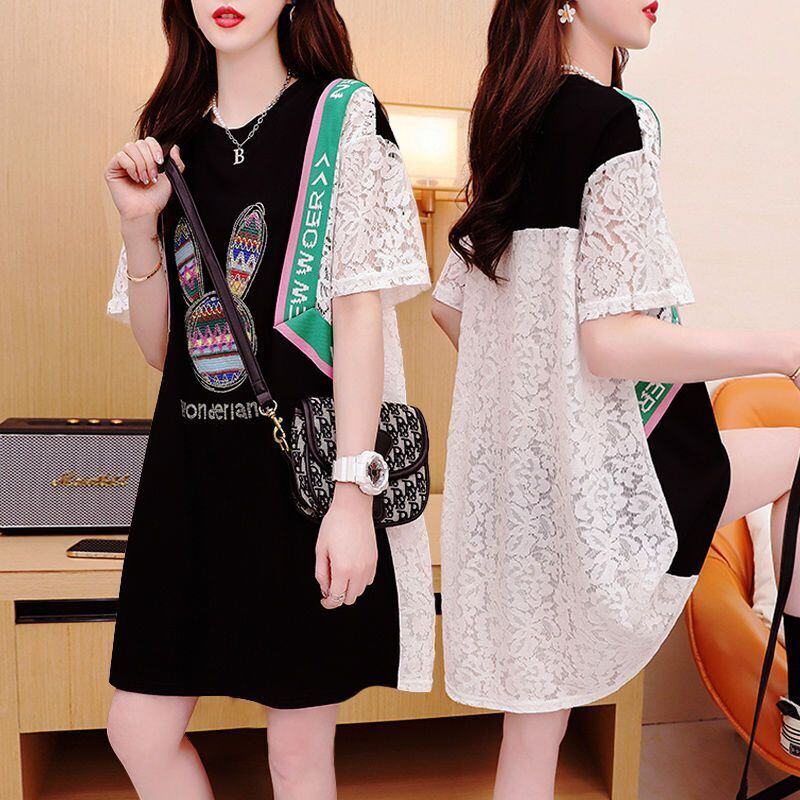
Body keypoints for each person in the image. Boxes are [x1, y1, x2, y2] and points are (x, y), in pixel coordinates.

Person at [431, 1, 800, 796]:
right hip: (622, 480)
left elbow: (451, 308)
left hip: (523, 486)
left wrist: (545, 407)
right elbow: (612, 343)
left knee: (534, 730)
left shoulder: (506, 124)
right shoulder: (616, 122)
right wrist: (785, 351)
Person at [104, 1, 434, 797]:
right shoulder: (170, 137)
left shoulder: (341, 116)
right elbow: (164, 350)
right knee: (137, 731)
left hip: (299, 485)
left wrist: (353, 498)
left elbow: (357, 313)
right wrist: (140, 229)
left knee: (296, 754)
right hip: (188, 479)